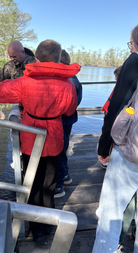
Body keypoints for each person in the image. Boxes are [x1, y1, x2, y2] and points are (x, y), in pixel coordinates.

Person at [0, 39, 80, 243]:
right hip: (54, 138)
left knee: (32, 185)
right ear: (58, 60)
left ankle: (36, 231)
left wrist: (10, 81)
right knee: (49, 184)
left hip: (31, 138)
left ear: (36, 59)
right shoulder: (68, 85)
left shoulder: (24, 82)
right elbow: (69, 110)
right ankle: (48, 227)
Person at [92, 20, 138, 253]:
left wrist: (104, 148)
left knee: (110, 213)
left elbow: (115, 107)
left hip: (132, 152)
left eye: (131, 43)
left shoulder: (137, 60)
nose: (131, 48)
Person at [54, 50, 82, 198]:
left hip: (62, 120)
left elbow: (64, 104)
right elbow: (78, 101)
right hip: (69, 120)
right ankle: (65, 176)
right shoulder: (74, 79)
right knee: (63, 147)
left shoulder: (67, 81)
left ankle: (58, 186)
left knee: (58, 150)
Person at [100, 65, 122, 169]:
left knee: (113, 140)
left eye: (117, 79)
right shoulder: (118, 89)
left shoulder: (120, 90)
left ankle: (108, 160)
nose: (116, 81)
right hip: (114, 120)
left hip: (117, 123)